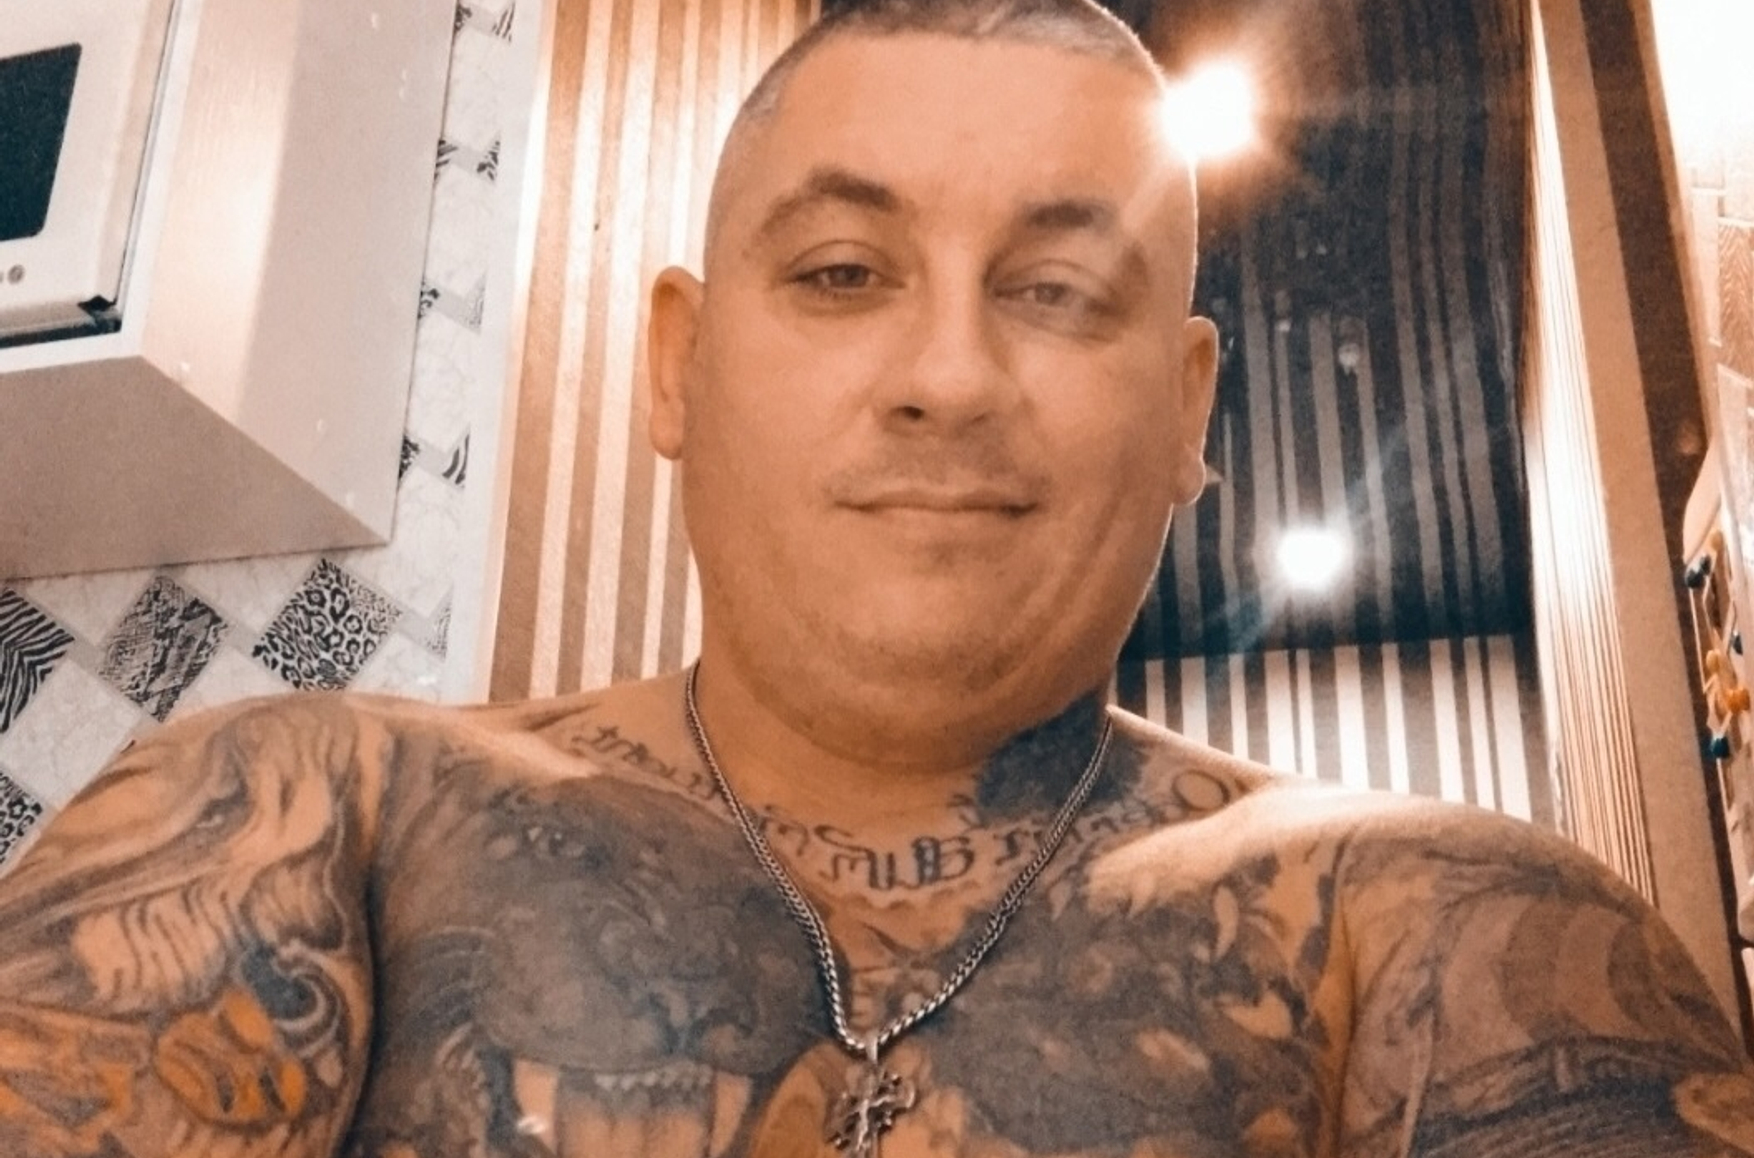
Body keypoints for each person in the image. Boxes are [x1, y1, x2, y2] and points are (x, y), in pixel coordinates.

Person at [3, 0, 1754, 1154]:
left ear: (1186, 413)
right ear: (679, 363)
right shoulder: (303, 817)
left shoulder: (1444, 933)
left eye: (1056, 291)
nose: (949, 376)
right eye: (843, 272)